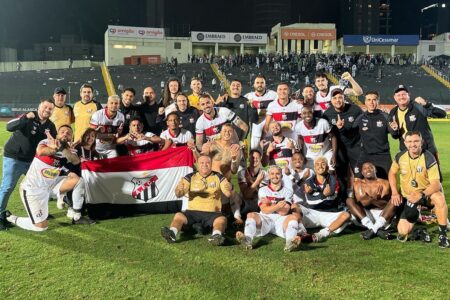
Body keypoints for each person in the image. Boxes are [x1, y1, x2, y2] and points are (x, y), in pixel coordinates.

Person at [6, 126, 93, 231]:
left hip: (50, 187)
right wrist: (55, 148)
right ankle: (11, 217)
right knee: (41, 227)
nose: (65, 134)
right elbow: (41, 152)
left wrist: (62, 148)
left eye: (69, 133)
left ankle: (76, 215)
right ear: (57, 135)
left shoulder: (69, 149)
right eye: (62, 132)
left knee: (78, 180)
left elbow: (75, 161)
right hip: (33, 189)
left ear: (71, 138)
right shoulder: (47, 141)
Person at [0, 99, 57, 231]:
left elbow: (53, 143)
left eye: (50, 109)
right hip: (15, 157)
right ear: (39, 106)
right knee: (7, 187)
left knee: (40, 186)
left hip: (32, 161)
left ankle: (40, 213)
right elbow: (9, 126)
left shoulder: (51, 126)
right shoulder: (29, 116)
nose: (47, 110)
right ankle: (0, 215)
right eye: (45, 107)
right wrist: (24, 118)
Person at [388, 132, 449, 248]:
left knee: (439, 197)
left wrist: (421, 194)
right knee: (402, 231)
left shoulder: (428, 157)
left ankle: (443, 235)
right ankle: (420, 230)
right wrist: (395, 192)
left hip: (425, 195)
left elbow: (436, 184)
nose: (413, 144)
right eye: (410, 142)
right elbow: (392, 173)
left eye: (416, 141)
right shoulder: (400, 156)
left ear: (421, 142)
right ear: (405, 143)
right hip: (409, 197)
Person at [160, 155, 233, 246]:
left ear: (211, 165)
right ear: (197, 165)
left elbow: (228, 194)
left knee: (222, 219)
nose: (204, 165)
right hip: (192, 212)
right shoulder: (190, 177)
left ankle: (216, 236)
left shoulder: (219, 177)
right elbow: (179, 194)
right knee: (179, 215)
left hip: (212, 213)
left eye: (207, 163)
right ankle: (172, 234)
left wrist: (229, 188)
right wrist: (179, 189)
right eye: (202, 163)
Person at [235, 165, 302, 252]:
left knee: (293, 217)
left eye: (278, 174)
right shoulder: (263, 190)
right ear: (269, 176)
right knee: (250, 215)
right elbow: (264, 209)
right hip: (266, 219)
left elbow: (284, 212)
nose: (275, 176)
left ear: (281, 176)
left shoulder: (288, 192)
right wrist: (278, 206)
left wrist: (270, 203)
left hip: (280, 220)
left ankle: (290, 243)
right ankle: (247, 240)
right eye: (272, 174)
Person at [388, 85, 446, 162]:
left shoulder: (418, 106)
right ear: (394, 97)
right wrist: (395, 130)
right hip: (407, 151)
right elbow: (395, 136)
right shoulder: (393, 112)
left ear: (409, 95)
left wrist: (426, 104)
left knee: (433, 173)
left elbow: (442, 114)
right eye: (398, 95)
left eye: (404, 94)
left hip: (426, 150)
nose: (401, 97)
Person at [301, 157, 351, 242]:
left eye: (323, 163)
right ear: (314, 168)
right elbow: (310, 201)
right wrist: (324, 195)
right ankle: (301, 233)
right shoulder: (309, 181)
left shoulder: (334, 180)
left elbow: (332, 197)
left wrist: (317, 195)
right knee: (295, 207)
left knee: (346, 215)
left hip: (329, 213)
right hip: (314, 213)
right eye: (317, 164)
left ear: (327, 167)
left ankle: (321, 234)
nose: (320, 166)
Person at [201, 124, 243, 223]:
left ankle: (238, 218)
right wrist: (205, 152)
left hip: (225, 182)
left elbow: (234, 171)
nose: (227, 133)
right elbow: (201, 162)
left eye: (230, 131)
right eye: (224, 131)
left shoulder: (236, 149)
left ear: (233, 133)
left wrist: (233, 159)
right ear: (220, 132)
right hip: (211, 181)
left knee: (234, 195)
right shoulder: (212, 145)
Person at [353, 91, 396, 179]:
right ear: (365, 102)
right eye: (369, 100)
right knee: (358, 179)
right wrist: (341, 128)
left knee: (387, 181)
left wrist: (395, 130)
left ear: (378, 101)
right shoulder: (360, 118)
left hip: (383, 155)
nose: (371, 102)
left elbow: (394, 135)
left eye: (374, 100)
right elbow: (351, 134)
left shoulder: (385, 116)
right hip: (365, 154)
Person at [347, 162, 396, 240]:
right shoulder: (356, 185)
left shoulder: (385, 183)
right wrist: (367, 202)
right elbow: (354, 205)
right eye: (365, 168)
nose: (368, 170)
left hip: (383, 215)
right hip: (365, 216)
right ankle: (375, 229)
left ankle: (373, 229)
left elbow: (388, 205)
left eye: (370, 167)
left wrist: (373, 200)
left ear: (375, 170)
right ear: (362, 172)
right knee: (349, 200)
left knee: (395, 200)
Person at [295, 106, 337, 170]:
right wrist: (302, 154)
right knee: (310, 173)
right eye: (304, 113)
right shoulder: (298, 126)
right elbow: (300, 138)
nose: (307, 115)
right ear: (301, 115)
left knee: (330, 170)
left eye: (309, 112)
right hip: (311, 154)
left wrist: (334, 155)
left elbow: (333, 137)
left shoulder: (323, 123)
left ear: (313, 113)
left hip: (326, 152)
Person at [244, 75, 278, 149]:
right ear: (254, 85)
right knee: (255, 149)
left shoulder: (274, 95)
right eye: (258, 83)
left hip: (270, 126)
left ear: (265, 84)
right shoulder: (248, 96)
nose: (260, 84)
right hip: (256, 127)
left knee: (272, 149)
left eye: (262, 83)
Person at [238, 149, 269, 214]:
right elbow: (246, 195)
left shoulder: (265, 174)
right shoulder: (242, 172)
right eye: (252, 158)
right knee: (234, 196)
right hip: (245, 202)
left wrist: (251, 181)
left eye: (257, 158)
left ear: (260, 158)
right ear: (249, 159)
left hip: (258, 202)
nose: (254, 159)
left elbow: (261, 194)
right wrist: (257, 182)